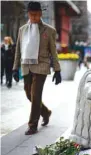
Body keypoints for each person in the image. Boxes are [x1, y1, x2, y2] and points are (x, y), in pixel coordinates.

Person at [12, 2, 62, 135]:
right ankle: (46, 112)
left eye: (37, 14)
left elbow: (53, 51)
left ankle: (33, 125)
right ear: (28, 14)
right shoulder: (22, 30)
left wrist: (57, 70)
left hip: (41, 66)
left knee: (36, 94)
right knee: (29, 94)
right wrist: (14, 68)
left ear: (40, 14)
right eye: (32, 14)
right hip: (26, 65)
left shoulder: (49, 30)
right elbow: (18, 50)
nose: (34, 17)